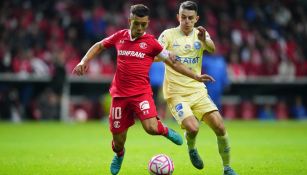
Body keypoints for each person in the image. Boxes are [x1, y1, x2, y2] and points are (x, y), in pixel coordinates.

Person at [73, 4, 214, 175]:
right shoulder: (120, 37)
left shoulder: (151, 43)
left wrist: (195, 76)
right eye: (136, 23)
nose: (140, 28)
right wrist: (83, 61)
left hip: (141, 94)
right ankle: (119, 154)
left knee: (151, 128)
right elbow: (99, 45)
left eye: (144, 24)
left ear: (148, 23)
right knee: (118, 140)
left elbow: (173, 63)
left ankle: (165, 130)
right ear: (129, 21)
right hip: (119, 96)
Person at [158, 1, 237, 175]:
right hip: (176, 93)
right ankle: (191, 148)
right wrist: (165, 55)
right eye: (183, 17)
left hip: (197, 90)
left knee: (220, 127)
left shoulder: (201, 34)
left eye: (190, 18)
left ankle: (227, 168)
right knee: (193, 128)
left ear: (196, 19)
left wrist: (204, 40)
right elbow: (156, 55)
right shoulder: (168, 35)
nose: (186, 21)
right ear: (178, 17)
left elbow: (212, 48)